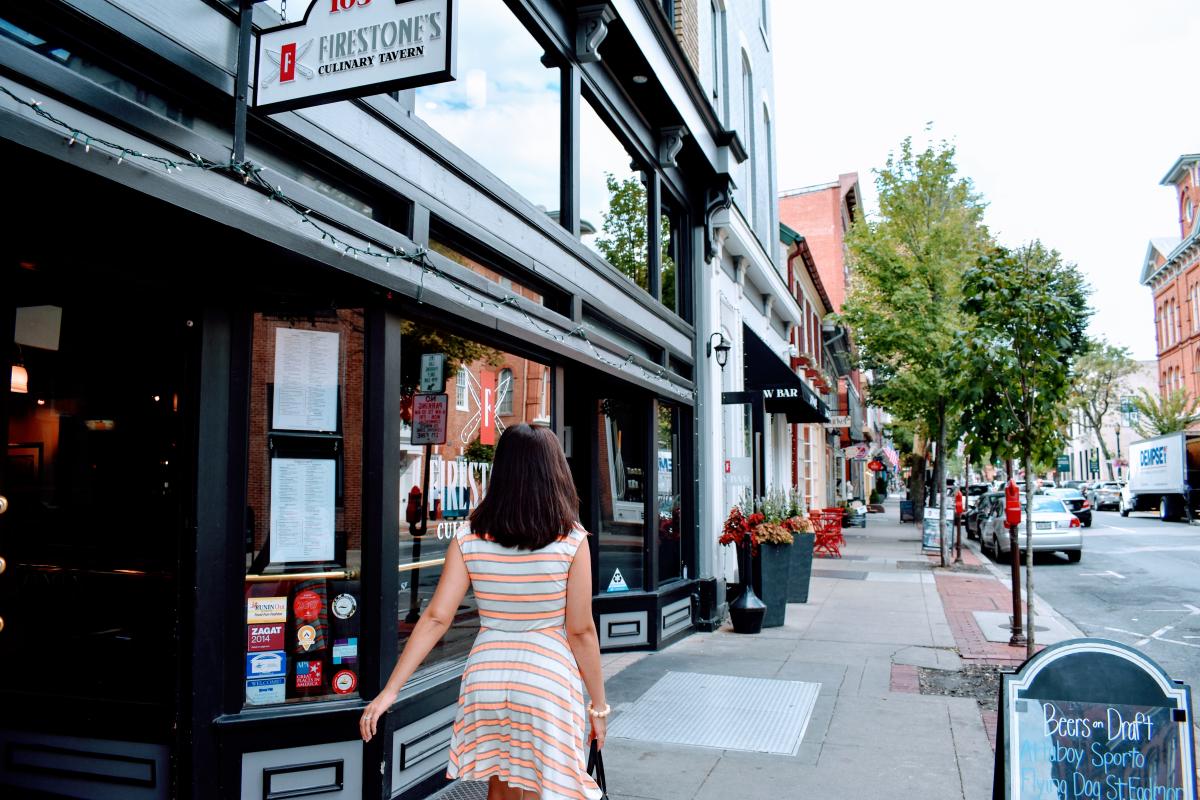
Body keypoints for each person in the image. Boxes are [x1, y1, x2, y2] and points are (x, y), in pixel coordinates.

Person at [360, 424, 606, 800]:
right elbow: (580, 631)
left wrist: (389, 692)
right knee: (547, 787)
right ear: (555, 471)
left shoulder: (470, 536)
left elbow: (436, 618)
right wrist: (599, 707)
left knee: (500, 783)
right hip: (547, 683)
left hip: (486, 680)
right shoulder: (571, 540)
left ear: (501, 471)